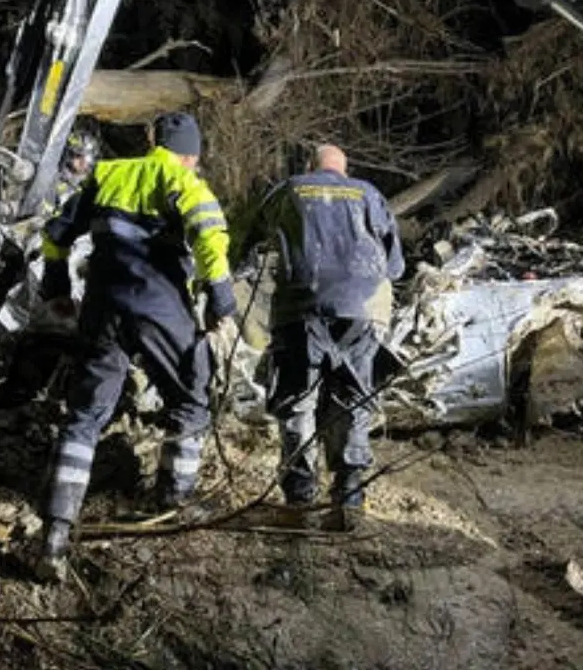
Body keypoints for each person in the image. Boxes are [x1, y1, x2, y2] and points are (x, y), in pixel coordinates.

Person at [33, 112, 238, 581]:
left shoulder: (107, 174)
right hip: (158, 301)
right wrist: (221, 304)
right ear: (192, 154)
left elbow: (56, 234)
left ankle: (56, 533)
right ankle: (174, 506)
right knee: (190, 397)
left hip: (103, 303)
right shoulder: (181, 180)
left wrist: (57, 286)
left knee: (85, 413)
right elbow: (210, 238)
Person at [260, 144, 404, 513]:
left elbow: (247, 240)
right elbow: (396, 266)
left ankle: (300, 495)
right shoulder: (369, 194)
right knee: (354, 395)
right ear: (345, 168)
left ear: (311, 166)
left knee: (298, 399)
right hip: (364, 309)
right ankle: (349, 492)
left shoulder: (291, 189)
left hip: (301, 309)